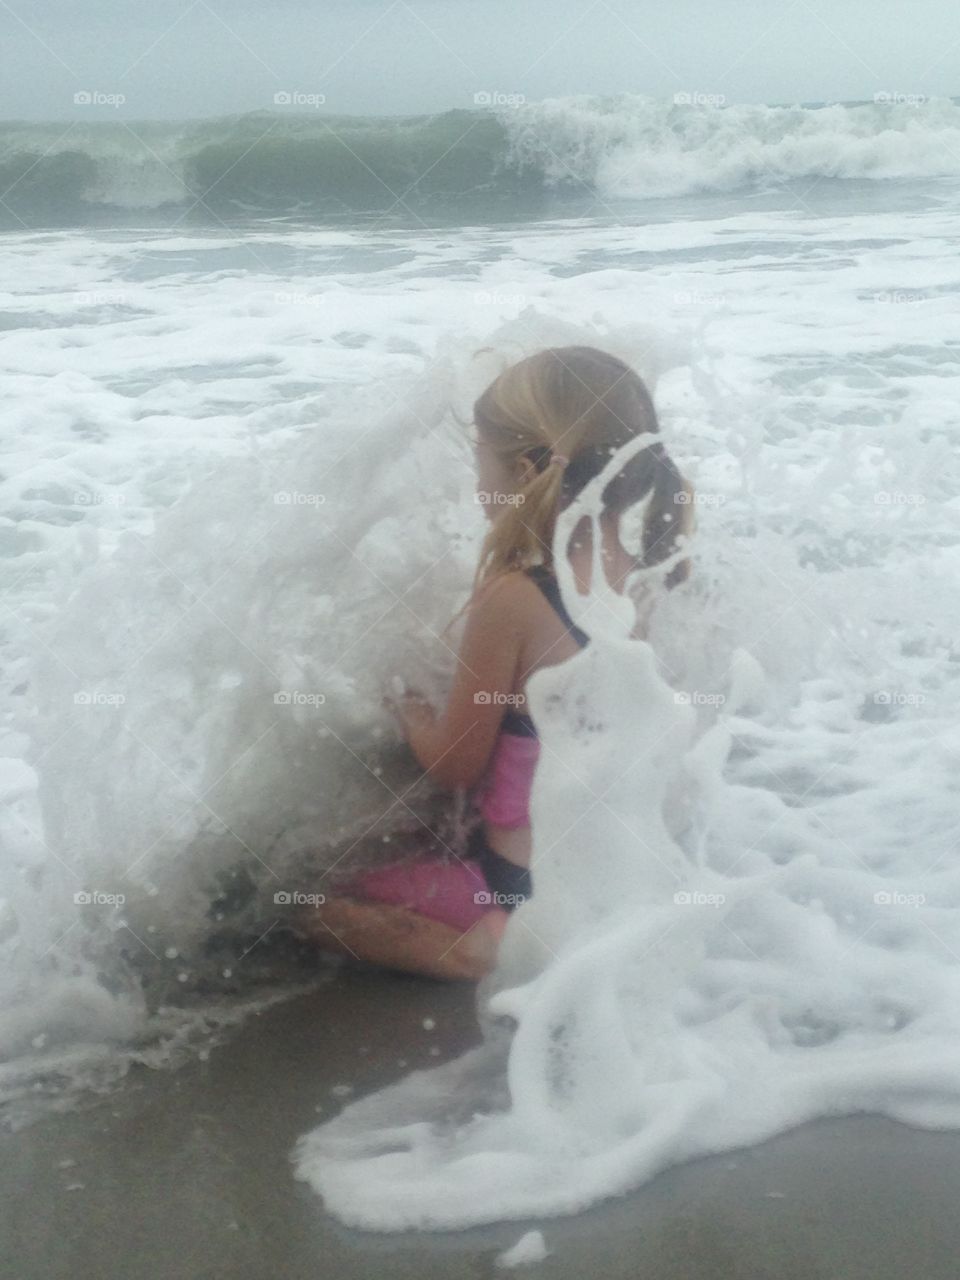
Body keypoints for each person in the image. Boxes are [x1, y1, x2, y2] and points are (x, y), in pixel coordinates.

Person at [296, 345, 695, 980]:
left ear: (525, 471)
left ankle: (486, 952)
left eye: (480, 461)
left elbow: (457, 765)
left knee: (306, 905)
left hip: (515, 885)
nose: (477, 484)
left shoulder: (514, 598)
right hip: (604, 872)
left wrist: (408, 709)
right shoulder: (642, 576)